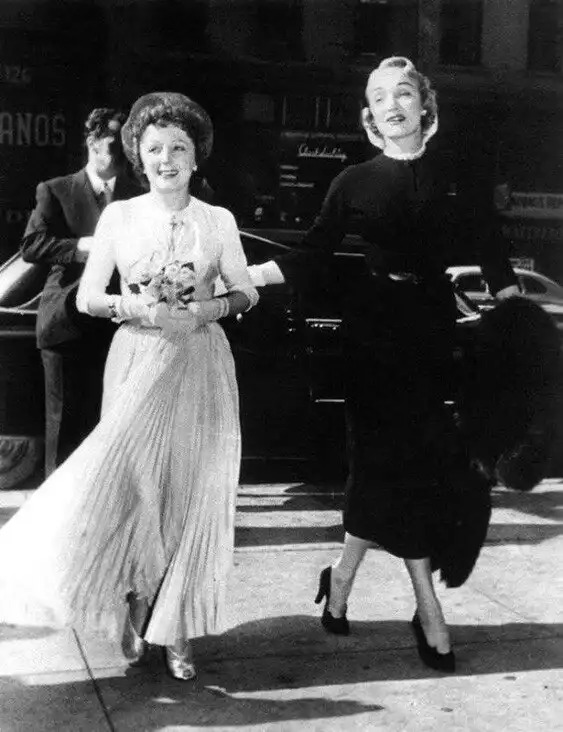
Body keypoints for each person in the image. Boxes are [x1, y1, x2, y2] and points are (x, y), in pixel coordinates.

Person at [249, 56, 520, 672]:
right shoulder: (353, 181)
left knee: (407, 470)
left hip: (432, 335)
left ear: (425, 105)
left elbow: (493, 252)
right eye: (379, 96)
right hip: (372, 338)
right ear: (369, 114)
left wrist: (516, 313)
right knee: (386, 467)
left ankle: (341, 577)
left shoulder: (457, 176)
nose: (392, 104)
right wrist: (244, 275)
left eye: (403, 92)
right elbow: (312, 254)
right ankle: (428, 610)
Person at [0, 92, 258, 681]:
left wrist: (208, 308)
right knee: (137, 490)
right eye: (154, 148)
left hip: (200, 362)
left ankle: (177, 626)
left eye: (179, 148)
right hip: (138, 358)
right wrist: (135, 305)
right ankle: (136, 602)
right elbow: (89, 297)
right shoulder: (119, 217)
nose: (167, 159)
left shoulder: (218, 220)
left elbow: (246, 290)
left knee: (187, 496)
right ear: (139, 157)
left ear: (197, 155)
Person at [21, 108, 142, 476]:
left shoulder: (137, 196)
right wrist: (79, 247)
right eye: (114, 145)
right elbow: (32, 245)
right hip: (66, 325)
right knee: (64, 428)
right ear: (92, 142)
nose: (122, 155)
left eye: (128, 147)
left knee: (110, 428)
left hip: (117, 326)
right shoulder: (56, 189)